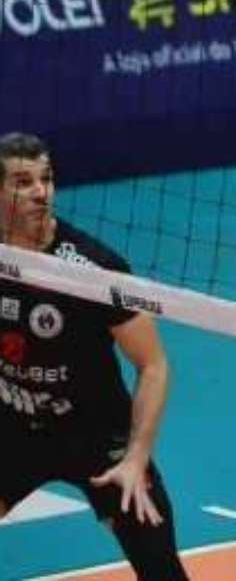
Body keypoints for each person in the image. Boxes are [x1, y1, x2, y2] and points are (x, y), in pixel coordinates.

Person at [0, 132, 188, 580]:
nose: (41, 191)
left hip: (99, 438)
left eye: (46, 178)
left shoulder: (94, 270)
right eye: (23, 182)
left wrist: (136, 458)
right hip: (15, 430)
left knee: (161, 569)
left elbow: (154, 365)